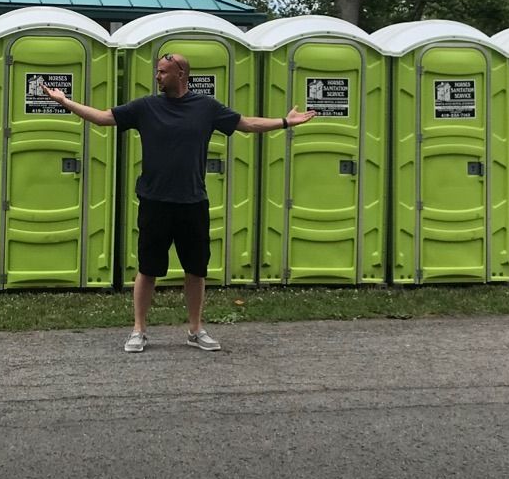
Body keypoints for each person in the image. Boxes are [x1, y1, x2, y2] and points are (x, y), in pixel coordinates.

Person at [44, 52, 315, 353]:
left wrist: (285, 122)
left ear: (182, 74)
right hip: (154, 201)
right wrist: (65, 102)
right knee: (148, 269)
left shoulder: (206, 108)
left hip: (192, 202)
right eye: (157, 72)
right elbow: (103, 118)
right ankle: (138, 330)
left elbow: (246, 123)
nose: (157, 77)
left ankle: (196, 330)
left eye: (163, 72)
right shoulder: (146, 106)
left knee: (196, 270)